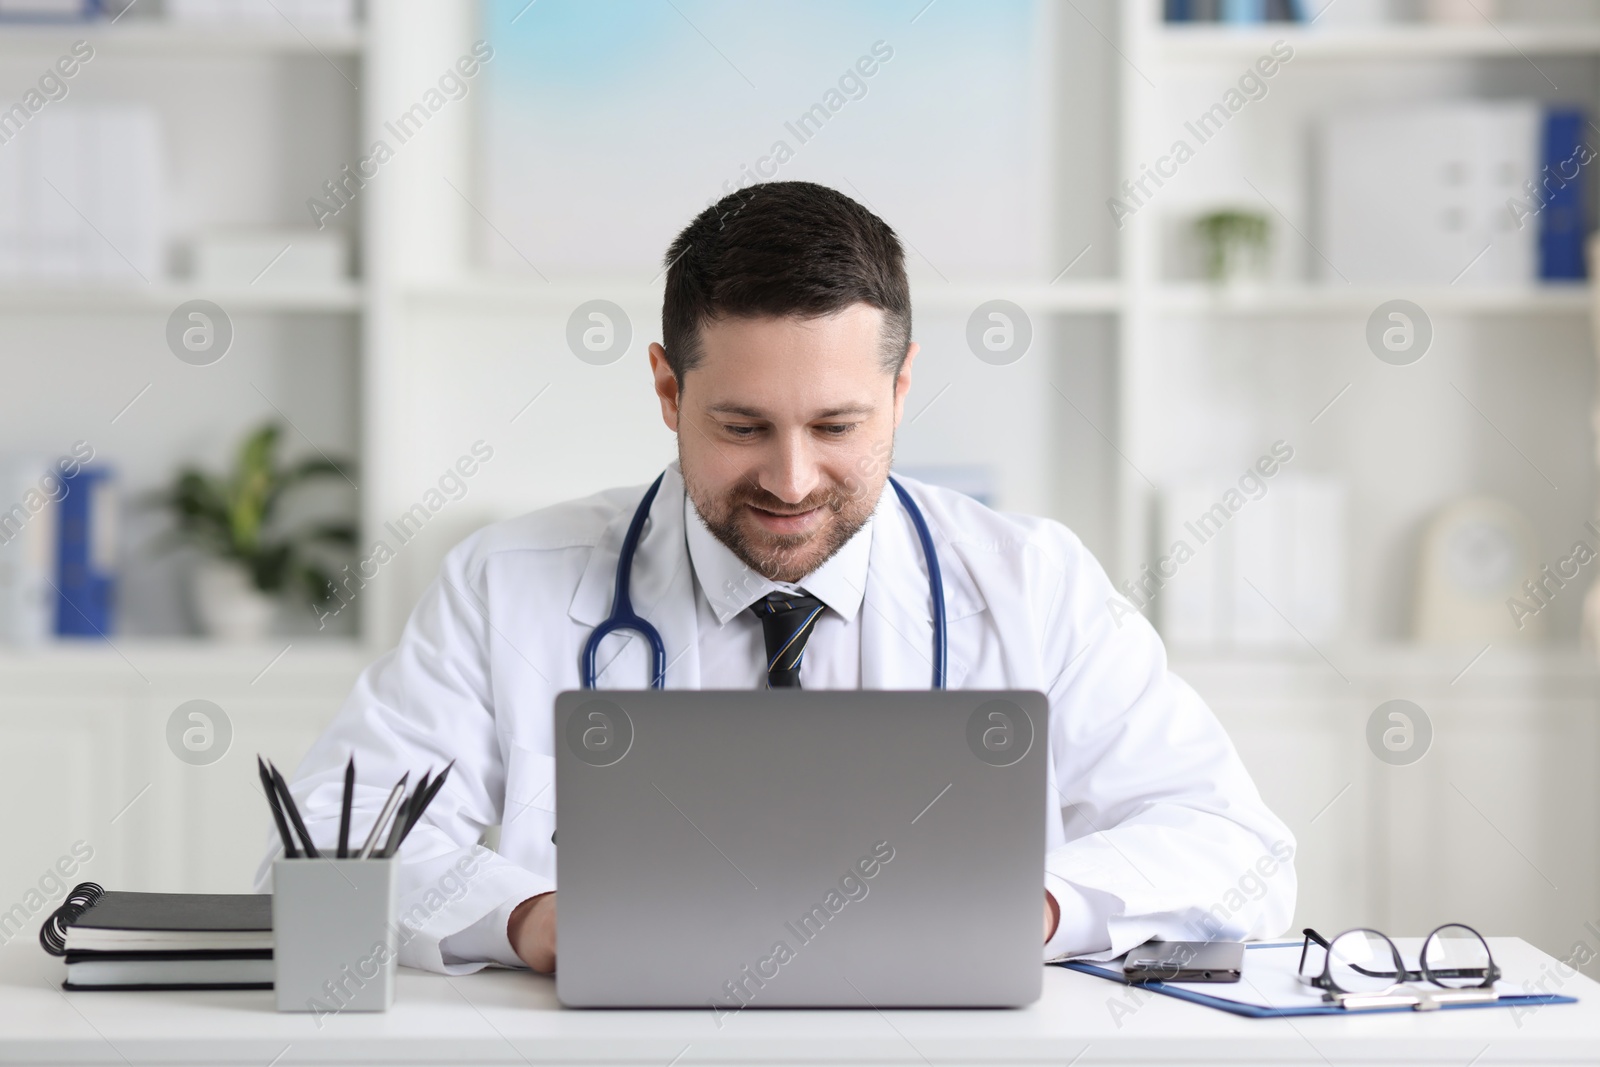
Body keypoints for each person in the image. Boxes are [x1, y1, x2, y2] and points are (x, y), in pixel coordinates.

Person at [257, 180, 1296, 976]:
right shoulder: (506, 582)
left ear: (899, 390)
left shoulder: (1033, 581)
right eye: (742, 425)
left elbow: (1239, 851)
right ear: (667, 389)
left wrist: (1032, 907)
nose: (792, 480)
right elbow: (320, 859)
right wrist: (533, 917)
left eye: (837, 426)